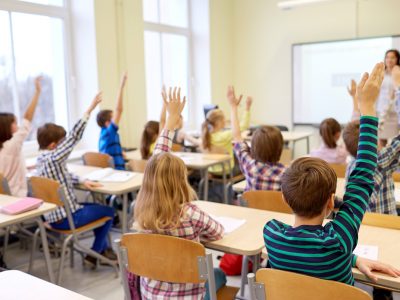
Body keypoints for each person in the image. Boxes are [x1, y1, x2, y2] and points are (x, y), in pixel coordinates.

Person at [263, 63, 400, 288]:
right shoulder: (338, 242)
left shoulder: (272, 234)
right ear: (330, 201)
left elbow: (308, 255)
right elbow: (363, 176)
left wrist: (354, 259)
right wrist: (367, 106)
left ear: (285, 199)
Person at [130, 87, 227, 299]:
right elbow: (218, 233)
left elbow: (157, 160)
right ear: (181, 181)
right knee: (220, 275)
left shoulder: (142, 209)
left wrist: (169, 121)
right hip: (188, 295)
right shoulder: (190, 213)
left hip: (151, 294)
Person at [36, 92, 116, 267]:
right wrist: (90, 108)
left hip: (50, 217)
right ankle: (95, 253)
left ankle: (100, 251)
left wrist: (82, 180)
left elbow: (62, 175)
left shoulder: (41, 160)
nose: (66, 145)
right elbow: (74, 136)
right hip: (67, 218)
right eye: (61, 142)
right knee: (109, 212)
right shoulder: (54, 157)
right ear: (53, 146)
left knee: (99, 209)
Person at [343, 65, 400, 216]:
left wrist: (357, 102)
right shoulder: (381, 161)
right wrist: (398, 87)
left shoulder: (351, 166)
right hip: (388, 227)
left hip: (364, 228)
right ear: (372, 142)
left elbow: (355, 127)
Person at [230, 86, 286, 191]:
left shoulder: (250, 166)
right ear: (280, 148)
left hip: (251, 208)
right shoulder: (287, 174)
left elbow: (237, 136)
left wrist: (233, 107)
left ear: (254, 147)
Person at [0, 76, 42, 197]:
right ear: (6, 127)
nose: (18, 126)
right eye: (14, 122)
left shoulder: (4, 147)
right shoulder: (12, 145)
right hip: (17, 196)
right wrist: (37, 93)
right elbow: (27, 118)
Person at [201, 86, 252, 174]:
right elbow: (243, 126)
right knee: (246, 166)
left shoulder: (205, 135)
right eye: (224, 119)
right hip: (226, 170)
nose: (225, 120)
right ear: (218, 122)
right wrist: (247, 107)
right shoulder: (224, 135)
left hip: (211, 170)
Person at [97, 72, 128, 170]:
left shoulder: (104, 134)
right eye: (113, 117)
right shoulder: (108, 133)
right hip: (116, 172)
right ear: (107, 123)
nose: (117, 118)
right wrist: (121, 87)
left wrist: (120, 151)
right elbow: (119, 110)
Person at [376, 49, 400, 146]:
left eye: (392, 57)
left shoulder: (398, 73)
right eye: (387, 57)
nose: (389, 60)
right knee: (381, 139)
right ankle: (383, 160)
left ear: (397, 59)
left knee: (396, 140)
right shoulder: (381, 73)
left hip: (395, 112)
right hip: (382, 110)